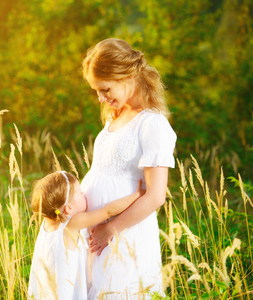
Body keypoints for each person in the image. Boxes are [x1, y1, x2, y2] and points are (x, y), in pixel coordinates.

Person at [81, 38, 177, 299]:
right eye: (96, 91)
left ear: (124, 76)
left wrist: (110, 229)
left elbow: (156, 196)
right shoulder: (118, 115)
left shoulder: (152, 124)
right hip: (97, 234)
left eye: (105, 89)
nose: (101, 98)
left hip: (122, 235)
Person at [28, 171, 145, 300]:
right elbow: (108, 211)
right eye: (79, 193)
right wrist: (136, 195)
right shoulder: (71, 224)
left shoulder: (47, 222)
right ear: (69, 208)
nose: (84, 194)